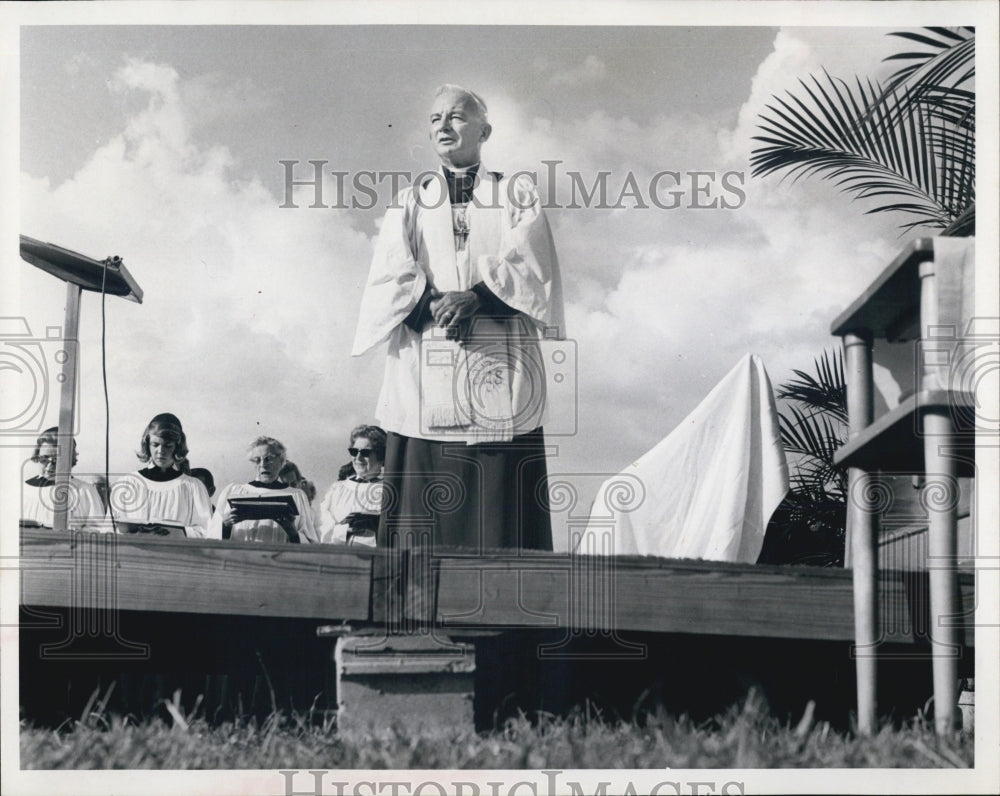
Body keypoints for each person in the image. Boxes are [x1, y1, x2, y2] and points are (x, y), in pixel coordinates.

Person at [352, 84, 564, 551]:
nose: (444, 126)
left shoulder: (514, 190)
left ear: (484, 130)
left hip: (495, 349)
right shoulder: (411, 198)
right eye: (435, 119)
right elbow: (391, 269)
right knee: (423, 495)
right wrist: (434, 303)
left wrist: (476, 297)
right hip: (428, 349)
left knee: (496, 495)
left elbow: (532, 262)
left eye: (457, 117)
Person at [112, 413, 212, 537]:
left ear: (177, 447)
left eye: (167, 445)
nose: (160, 451)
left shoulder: (193, 487)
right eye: (155, 445)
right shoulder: (128, 483)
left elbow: (207, 532)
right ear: (147, 444)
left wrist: (178, 532)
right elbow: (109, 531)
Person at [210, 436, 317, 544]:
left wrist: (292, 531)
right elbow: (210, 538)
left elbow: (311, 545)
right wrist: (225, 526)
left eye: (269, 459)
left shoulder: (297, 495)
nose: (263, 465)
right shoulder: (233, 492)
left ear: (281, 462)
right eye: (257, 460)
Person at [20, 427, 107, 531]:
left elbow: (98, 530)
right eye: (44, 459)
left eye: (56, 460)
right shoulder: (23, 489)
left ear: (70, 460)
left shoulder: (86, 491)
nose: (49, 466)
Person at [316, 425, 386, 546]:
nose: (358, 457)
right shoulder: (337, 488)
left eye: (365, 452)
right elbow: (321, 525)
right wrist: (346, 530)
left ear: (380, 456)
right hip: (338, 556)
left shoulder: (389, 490)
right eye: (354, 452)